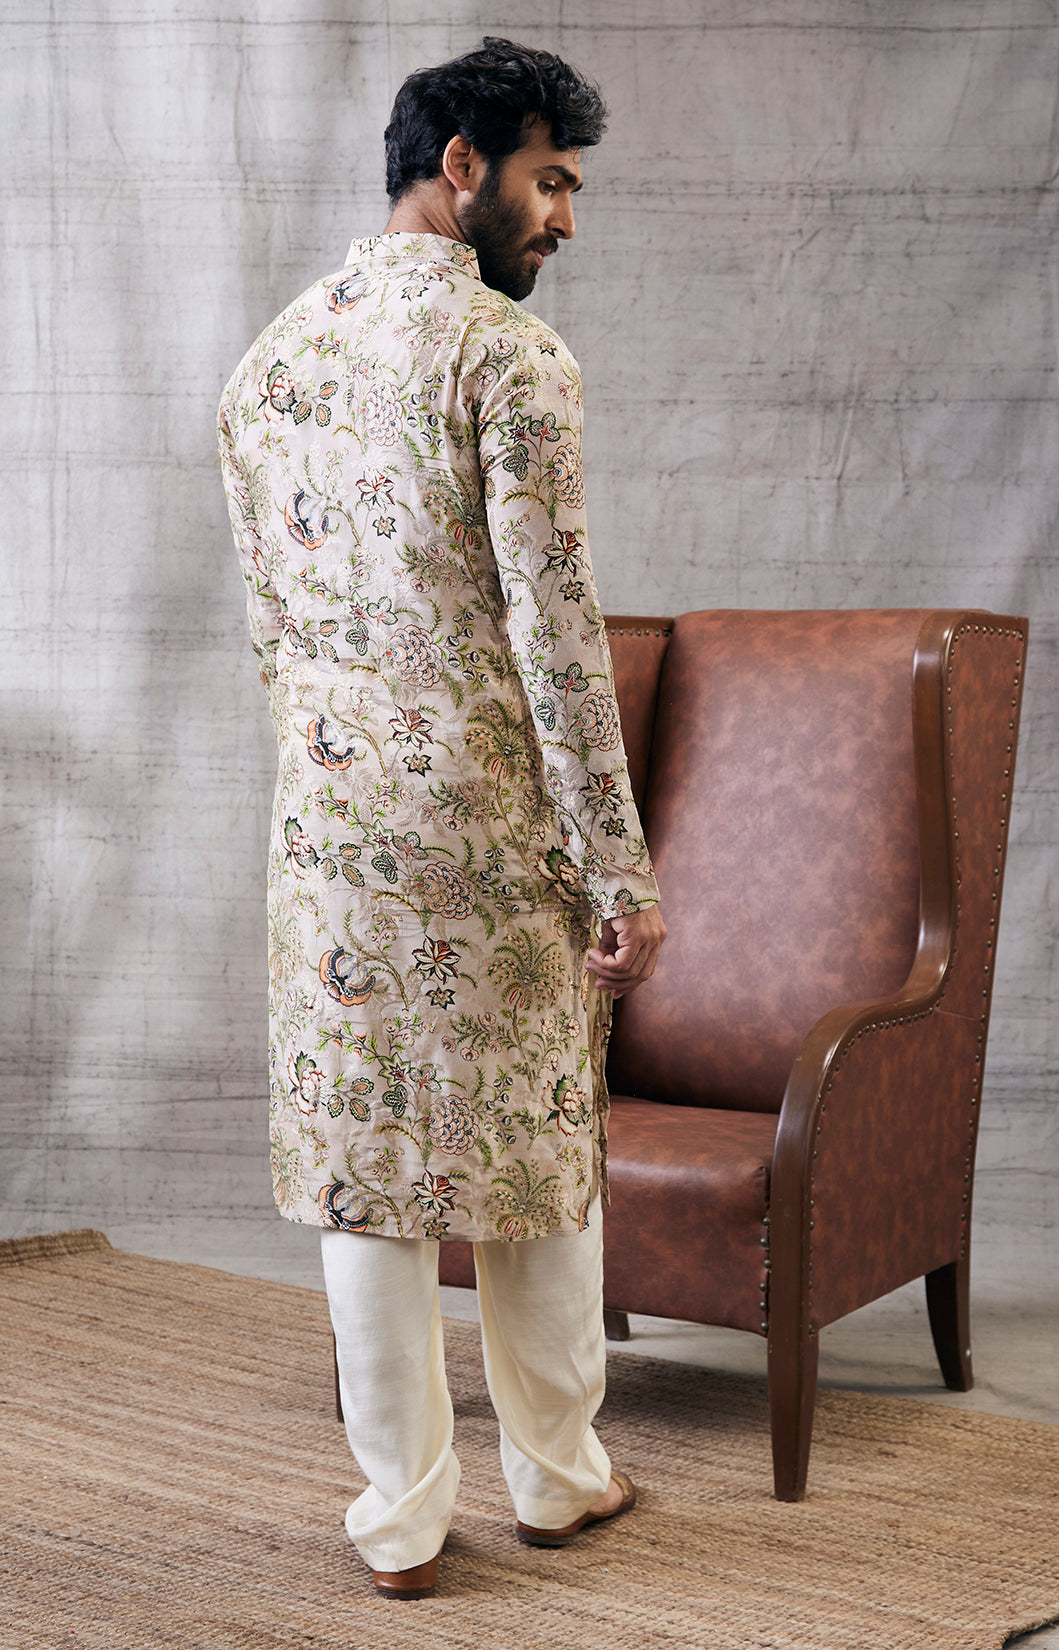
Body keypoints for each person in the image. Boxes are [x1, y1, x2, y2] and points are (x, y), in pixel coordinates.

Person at [217, 36, 665, 1599]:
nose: (565, 218)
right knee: (536, 1149)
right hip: (487, 838)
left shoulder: (267, 367)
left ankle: (401, 1519)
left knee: (368, 1172)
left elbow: (277, 638)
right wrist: (618, 870)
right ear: (461, 164)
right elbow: (560, 640)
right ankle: (557, 1476)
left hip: (328, 844)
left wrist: (332, 793)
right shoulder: (509, 358)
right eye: (551, 181)